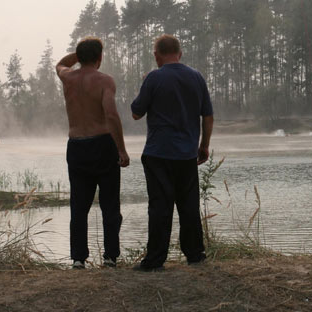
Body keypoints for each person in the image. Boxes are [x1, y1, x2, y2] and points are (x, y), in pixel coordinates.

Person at [131, 34, 213, 272]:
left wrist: (144, 83)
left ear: (157, 55)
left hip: (158, 153)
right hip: (186, 154)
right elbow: (207, 115)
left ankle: (155, 260)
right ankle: (195, 255)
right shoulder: (196, 77)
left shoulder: (154, 77)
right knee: (189, 206)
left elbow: (136, 113)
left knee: (160, 206)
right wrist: (204, 145)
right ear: (180, 53)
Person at [56, 37, 130, 269]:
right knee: (110, 204)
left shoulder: (68, 77)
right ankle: (110, 256)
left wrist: (78, 55)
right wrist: (121, 149)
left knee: (79, 206)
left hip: (77, 144)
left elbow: (60, 63)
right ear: (100, 57)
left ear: (79, 57)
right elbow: (111, 115)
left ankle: (78, 259)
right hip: (102, 144)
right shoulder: (104, 80)